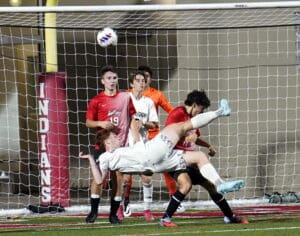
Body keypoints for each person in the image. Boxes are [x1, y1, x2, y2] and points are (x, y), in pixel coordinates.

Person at [80, 98, 244, 223]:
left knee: (199, 156)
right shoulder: (106, 156)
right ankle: (220, 111)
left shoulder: (117, 155)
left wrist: (135, 133)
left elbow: (103, 178)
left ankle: (219, 183)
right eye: (114, 137)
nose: (117, 138)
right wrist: (91, 159)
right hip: (151, 153)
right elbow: (100, 179)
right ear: (107, 141)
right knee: (180, 127)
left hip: (155, 165)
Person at [159, 90, 248, 227]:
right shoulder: (177, 113)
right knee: (186, 185)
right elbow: (168, 134)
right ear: (195, 105)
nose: (201, 113)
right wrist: (185, 137)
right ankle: (165, 219)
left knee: (212, 186)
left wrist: (208, 145)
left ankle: (230, 216)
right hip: (175, 160)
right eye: (201, 110)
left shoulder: (194, 119)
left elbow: (194, 137)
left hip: (190, 160)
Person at [85, 65, 136, 224]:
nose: (112, 81)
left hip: (121, 146)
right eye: (108, 78)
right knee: (99, 179)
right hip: (103, 146)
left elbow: (134, 116)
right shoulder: (97, 100)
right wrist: (101, 123)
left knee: (118, 179)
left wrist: (137, 132)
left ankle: (113, 214)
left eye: (114, 78)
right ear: (102, 81)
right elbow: (88, 122)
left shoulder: (125, 98)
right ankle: (93, 212)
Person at [137, 65, 181, 212]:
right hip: (137, 137)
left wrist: (183, 119)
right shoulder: (129, 94)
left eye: (146, 77)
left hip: (154, 137)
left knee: (166, 167)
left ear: (150, 79)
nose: (143, 80)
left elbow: (171, 110)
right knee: (128, 171)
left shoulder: (157, 95)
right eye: (141, 77)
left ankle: (174, 198)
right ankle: (125, 203)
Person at [117, 71, 159, 222]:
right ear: (131, 83)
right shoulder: (124, 99)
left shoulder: (148, 102)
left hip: (143, 144)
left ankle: (147, 210)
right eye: (138, 80)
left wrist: (144, 123)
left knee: (147, 177)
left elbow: (154, 124)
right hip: (127, 144)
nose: (141, 83)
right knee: (125, 179)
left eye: (143, 80)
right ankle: (119, 208)